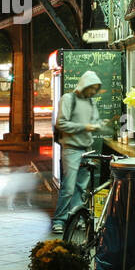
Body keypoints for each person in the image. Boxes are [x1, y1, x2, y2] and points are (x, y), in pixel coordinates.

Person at [51, 70, 103, 234]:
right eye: (91, 88)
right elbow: (61, 123)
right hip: (71, 149)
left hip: (87, 150)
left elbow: (95, 121)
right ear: (84, 85)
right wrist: (85, 127)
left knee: (81, 188)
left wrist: (98, 125)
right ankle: (59, 220)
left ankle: (75, 218)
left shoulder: (91, 102)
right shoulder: (68, 99)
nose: (93, 91)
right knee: (68, 188)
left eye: (96, 89)